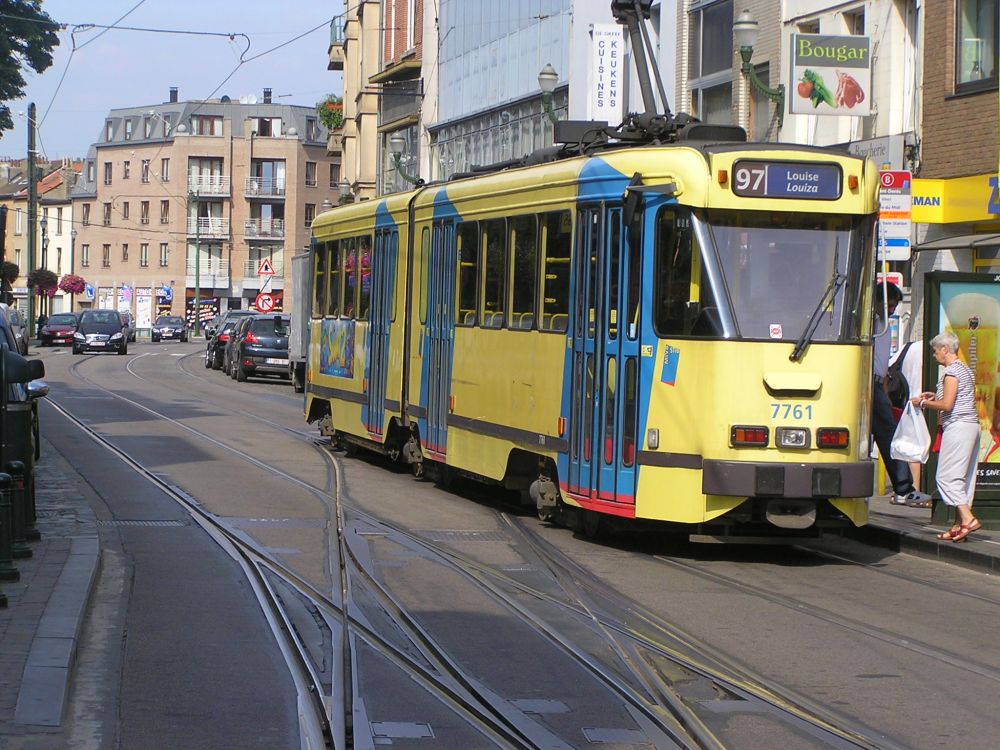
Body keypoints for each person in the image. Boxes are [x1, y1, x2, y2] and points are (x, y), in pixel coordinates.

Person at [911, 332, 981, 541]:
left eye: (935, 351)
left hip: (958, 427)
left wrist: (923, 403)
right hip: (971, 426)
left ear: (945, 349)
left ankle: (968, 519)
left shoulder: (951, 372)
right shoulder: (964, 369)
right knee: (963, 477)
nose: (934, 355)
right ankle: (959, 525)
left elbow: (947, 405)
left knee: (946, 477)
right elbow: (957, 397)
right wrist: (934, 396)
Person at [872, 283, 929, 506]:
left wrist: (885, 389)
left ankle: (903, 488)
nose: (893, 310)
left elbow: (882, 361)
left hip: (878, 385)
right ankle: (904, 488)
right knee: (888, 433)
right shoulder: (869, 323)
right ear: (877, 302)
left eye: (895, 306)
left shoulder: (885, 325)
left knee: (888, 433)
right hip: (868, 383)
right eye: (889, 305)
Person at [888, 339, 929, 505]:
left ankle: (911, 489)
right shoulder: (933, 350)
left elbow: (890, 367)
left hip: (908, 402)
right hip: (926, 400)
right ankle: (915, 491)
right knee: (918, 447)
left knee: (912, 445)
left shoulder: (909, 347)